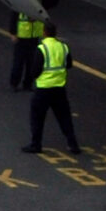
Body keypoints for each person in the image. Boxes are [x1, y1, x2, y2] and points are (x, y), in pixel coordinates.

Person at [23, 26, 80, 154]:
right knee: (64, 117)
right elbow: (69, 64)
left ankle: (36, 145)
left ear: (44, 33)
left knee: (37, 118)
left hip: (43, 89)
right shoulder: (63, 47)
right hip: (59, 88)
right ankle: (73, 144)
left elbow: (35, 71)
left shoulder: (42, 48)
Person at [8, 11, 43, 91]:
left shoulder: (38, 4)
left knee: (31, 62)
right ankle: (14, 83)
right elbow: (13, 18)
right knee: (18, 62)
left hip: (34, 36)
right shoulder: (20, 4)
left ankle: (27, 84)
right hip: (21, 38)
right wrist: (13, 33)